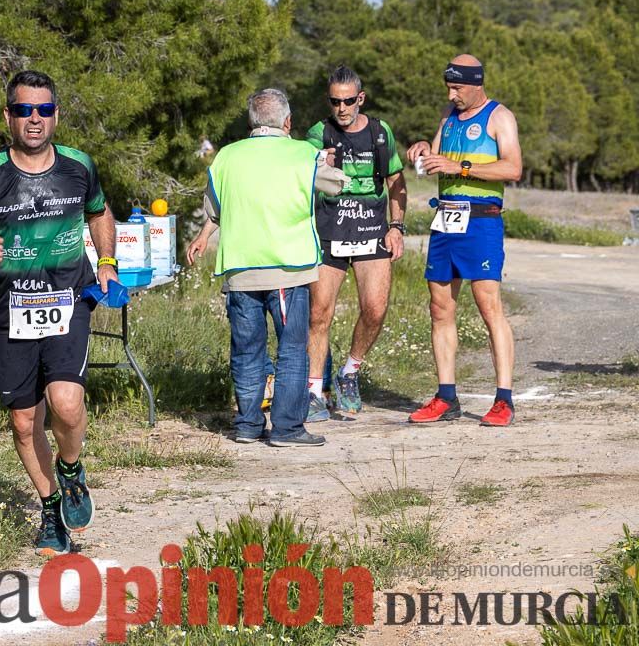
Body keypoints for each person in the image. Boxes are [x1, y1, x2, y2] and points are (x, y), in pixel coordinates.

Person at [0, 70, 117, 557]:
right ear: (9, 117)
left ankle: (70, 470)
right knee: (24, 421)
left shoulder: (79, 166)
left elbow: (99, 211)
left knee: (65, 403)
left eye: (44, 110)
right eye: (24, 110)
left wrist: (106, 262)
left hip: (68, 297)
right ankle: (50, 509)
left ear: (56, 114)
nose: (35, 119)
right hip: (12, 305)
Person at [186, 89, 345, 447]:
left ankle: (247, 424)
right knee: (290, 350)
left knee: (247, 350)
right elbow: (334, 186)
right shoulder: (303, 153)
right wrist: (328, 164)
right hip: (288, 269)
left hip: (240, 268)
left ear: (251, 122)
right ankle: (287, 428)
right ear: (287, 122)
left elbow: (214, 206)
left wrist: (202, 235)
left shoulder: (227, 156)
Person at [405, 55, 523, 427]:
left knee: (489, 307)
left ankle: (503, 400)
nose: (452, 94)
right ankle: (446, 396)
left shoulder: (498, 117)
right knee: (439, 308)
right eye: (449, 88)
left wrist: (464, 168)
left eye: (457, 88)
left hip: (482, 221)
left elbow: (514, 167)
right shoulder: (448, 115)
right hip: (446, 219)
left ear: (476, 84)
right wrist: (424, 149)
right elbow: (436, 158)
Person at [305, 66, 408, 421]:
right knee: (319, 314)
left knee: (375, 308)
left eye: (349, 101)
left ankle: (349, 371)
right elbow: (303, 181)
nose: (342, 108)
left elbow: (396, 180)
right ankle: (314, 391)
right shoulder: (318, 133)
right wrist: (318, 167)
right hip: (331, 233)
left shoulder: (381, 133)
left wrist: (397, 226)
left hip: (372, 231)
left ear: (360, 99)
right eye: (335, 101)